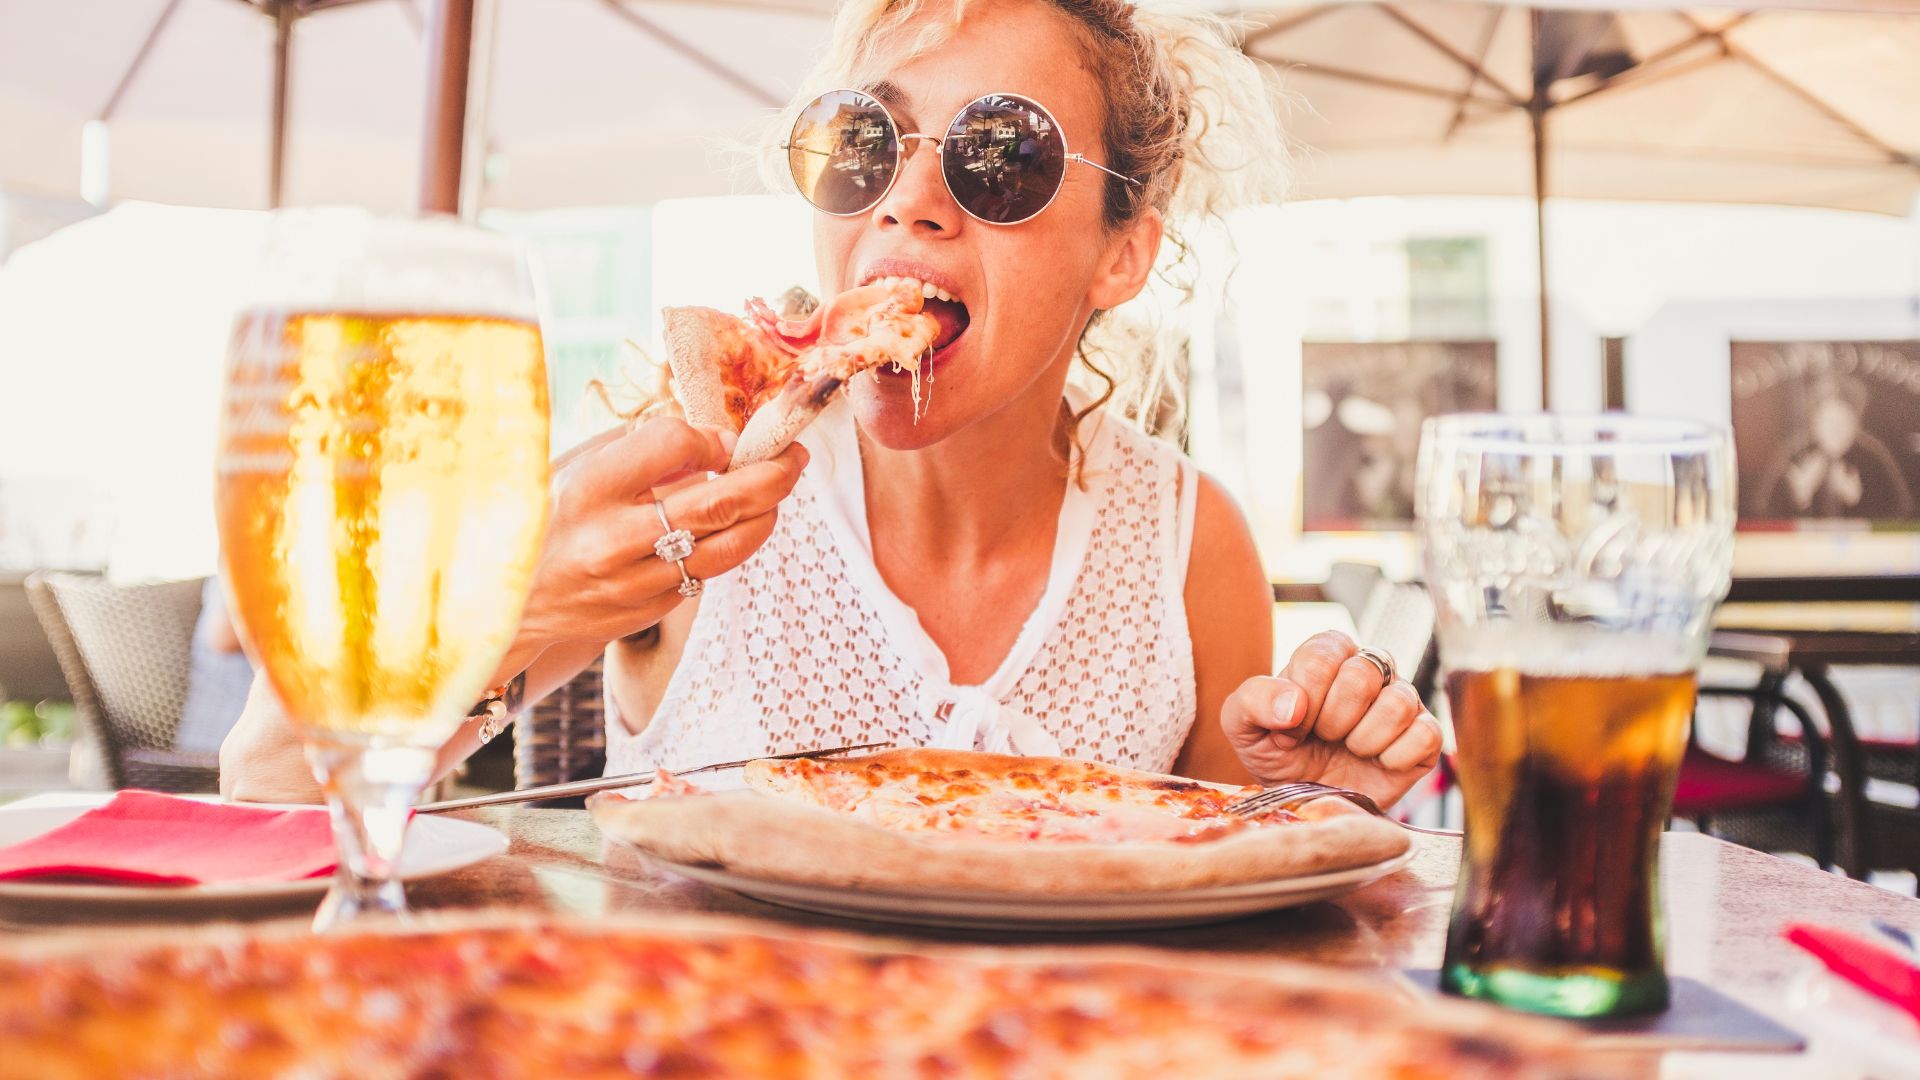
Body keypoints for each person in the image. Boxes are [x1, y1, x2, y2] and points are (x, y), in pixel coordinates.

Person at [222, 0, 1443, 808]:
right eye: (865, 142)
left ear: (1121, 253)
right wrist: (510, 605)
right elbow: (268, 785)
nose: (907, 202)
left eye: (1000, 156)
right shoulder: (681, 476)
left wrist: (1312, 802)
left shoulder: (1189, 544)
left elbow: (1235, 921)